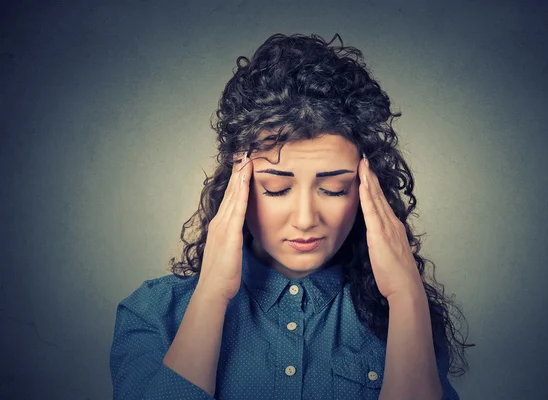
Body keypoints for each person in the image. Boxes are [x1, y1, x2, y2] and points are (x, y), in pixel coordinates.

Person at [110, 33, 473, 400]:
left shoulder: (401, 315)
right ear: (239, 183)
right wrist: (211, 293)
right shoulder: (155, 313)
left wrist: (406, 296)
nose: (304, 219)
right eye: (276, 189)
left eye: (333, 188)